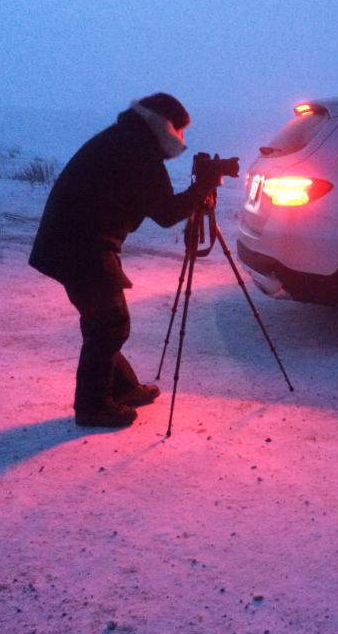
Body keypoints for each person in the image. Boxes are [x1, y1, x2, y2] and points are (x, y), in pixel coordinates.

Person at [29, 93, 219, 428]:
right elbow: (166, 213)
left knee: (103, 320)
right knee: (109, 323)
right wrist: (203, 186)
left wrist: (200, 188)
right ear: (166, 126)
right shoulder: (137, 150)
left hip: (73, 241)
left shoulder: (128, 139)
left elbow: (158, 205)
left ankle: (122, 388)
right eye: (181, 131)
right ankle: (93, 406)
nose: (182, 139)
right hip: (80, 245)